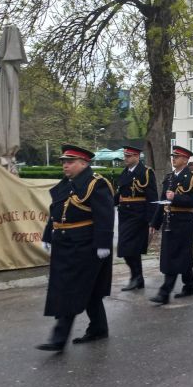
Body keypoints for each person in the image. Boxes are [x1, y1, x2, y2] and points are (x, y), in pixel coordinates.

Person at [37, 145, 115, 352]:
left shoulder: (96, 184)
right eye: (63, 162)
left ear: (83, 163)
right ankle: (98, 328)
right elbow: (55, 211)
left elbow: (105, 216)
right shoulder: (67, 184)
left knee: (70, 289)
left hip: (85, 245)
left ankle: (58, 338)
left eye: (69, 162)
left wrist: (103, 244)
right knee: (89, 291)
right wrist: (48, 235)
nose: (65, 165)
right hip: (64, 243)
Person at [148, 146, 193, 305]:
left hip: (184, 222)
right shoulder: (169, 177)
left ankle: (164, 292)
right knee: (179, 255)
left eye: (177, 156)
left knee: (175, 256)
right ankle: (189, 285)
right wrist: (155, 222)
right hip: (169, 221)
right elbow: (162, 202)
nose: (174, 159)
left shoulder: (192, 178)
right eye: (173, 156)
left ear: (185, 160)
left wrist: (176, 197)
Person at [114, 145, 157, 291]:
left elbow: (152, 197)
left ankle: (136, 277)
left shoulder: (145, 172)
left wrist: (152, 220)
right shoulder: (124, 173)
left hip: (138, 215)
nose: (125, 159)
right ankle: (137, 278)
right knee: (128, 249)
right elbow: (119, 195)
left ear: (137, 157)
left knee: (129, 248)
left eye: (128, 156)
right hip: (125, 215)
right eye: (125, 156)